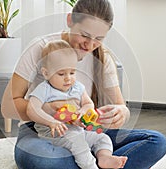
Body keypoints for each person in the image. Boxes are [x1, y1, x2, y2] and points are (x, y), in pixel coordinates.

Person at [1, 0, 166, 168]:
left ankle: (95, 160)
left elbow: (120, 105)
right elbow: (7, 107)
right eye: (85, 35)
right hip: (42, 131)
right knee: (42, 159)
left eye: (99, 38)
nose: (90, 45)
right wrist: (51, 109)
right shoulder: (41, 48)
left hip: (84, 129)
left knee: (156, 141)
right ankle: (91, 162)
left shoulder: (104, 59)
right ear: (70, 21)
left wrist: (120, 113)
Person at [27, 40, 128, 169]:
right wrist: (50, 121)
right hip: (54, 134)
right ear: (46, 73)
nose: (68, 78)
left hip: (78, 131)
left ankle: (104, 158)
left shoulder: (77, 87)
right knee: (79, 144)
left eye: (72, 72)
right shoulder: (44, 89)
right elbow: (32, 109)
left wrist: (84, 110)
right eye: (61, 74)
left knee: (102, 138)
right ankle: (91, 166)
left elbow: (88, 103)